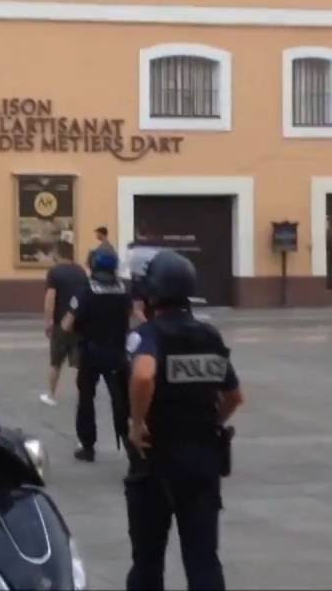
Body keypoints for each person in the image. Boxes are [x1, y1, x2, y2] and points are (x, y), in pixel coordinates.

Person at [125, 250, 243, 591]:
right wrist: (212, 421)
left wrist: (137, 423)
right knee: (203, 558)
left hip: (156, 459)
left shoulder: (149, 334)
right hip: (202, 459)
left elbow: (143, 375)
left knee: (148, 559)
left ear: (152, 293)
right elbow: (235, 396)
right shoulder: (209, 336)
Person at [61, 249, 130, 461]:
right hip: (117, 353)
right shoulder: (124, 290)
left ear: (93, 266)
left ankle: (88, 447)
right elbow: (134, 318)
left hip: (91, 353)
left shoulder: (85, 291)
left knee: (86, 399)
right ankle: (131, 445)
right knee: (121, 400)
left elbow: (67, 325)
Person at [41, 243, 87, 406]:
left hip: (60, 323)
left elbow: (50, 298)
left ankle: (51, 395)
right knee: (80, 363)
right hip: (79, 323)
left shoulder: (54, 272)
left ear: (58, 253)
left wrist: (48, 322)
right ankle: (83, 396)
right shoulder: (81, 271)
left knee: (56, 362)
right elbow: (85, 296)